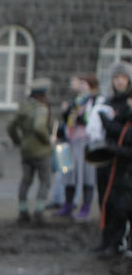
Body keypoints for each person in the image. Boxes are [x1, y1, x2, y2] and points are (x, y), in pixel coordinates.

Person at [95, 61, 132, 266]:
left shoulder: (125, 107)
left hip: (124, 165)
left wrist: (109, 125)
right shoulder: (109, 102)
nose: (119, 81)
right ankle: (107, 240)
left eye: (123, 78)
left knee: (122, 207)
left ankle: (118, 244)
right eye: (116, 77)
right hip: (112, 161)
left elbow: (123, 133)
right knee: (107, 201)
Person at [55, 74, 105, 221]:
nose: (81, 86)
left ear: (91, 85)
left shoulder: (96, 101)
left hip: (86, 142)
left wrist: (80, 117)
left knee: (87, 175)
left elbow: (94, 121)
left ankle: (86, 208)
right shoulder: (76, 101)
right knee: (68, 173)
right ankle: (68, 205)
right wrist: (67, 112)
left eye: (84, 83)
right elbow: (67, 120)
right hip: (70, 140)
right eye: (80, 83)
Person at [7, 77, 55, 225]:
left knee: (26, 181)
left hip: (26, 149)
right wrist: (48, 140)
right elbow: (39, 127)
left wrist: (17, 141)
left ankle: (23, 212)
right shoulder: (41, 108)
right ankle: (39, 212)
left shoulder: (24, 106)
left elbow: (10, 126)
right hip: (41, 150)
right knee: (45, 181)